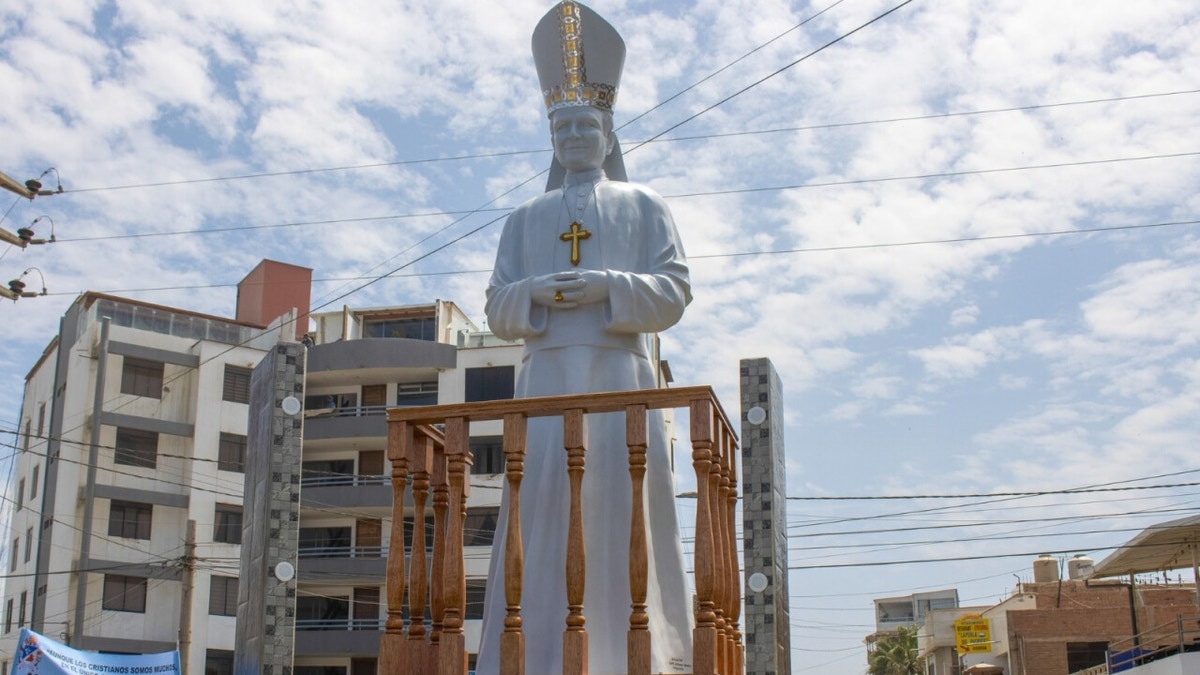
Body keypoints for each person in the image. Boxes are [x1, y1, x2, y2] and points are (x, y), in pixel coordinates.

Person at [475, 3, 694, 673]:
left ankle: (638, 652)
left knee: (617, 505)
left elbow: (676, 291)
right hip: (541, 383)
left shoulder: (644, 205)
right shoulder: (523, 219)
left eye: (585, 125)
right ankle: (533, 652)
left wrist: (609, 288)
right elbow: (496, 307)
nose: (572, 134)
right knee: (540, 507)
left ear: (606, 134)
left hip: (619, 376)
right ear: (552, 137)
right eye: (561, 125)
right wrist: (536, 295)